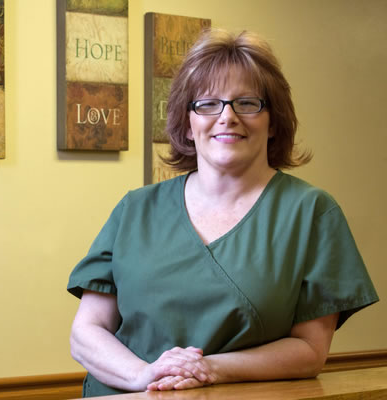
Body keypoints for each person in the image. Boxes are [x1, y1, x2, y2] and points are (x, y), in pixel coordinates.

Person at [66, 29, 379, 398]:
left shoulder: (311, 213)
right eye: (208, 104)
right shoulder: (135, 209)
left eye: (247, 103)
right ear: (187, 123)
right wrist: (145, 376)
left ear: (273, 121)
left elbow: (310, 351)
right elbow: (86, 332)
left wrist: (209, 369)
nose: (227, 117)